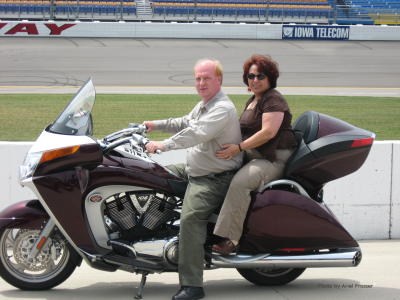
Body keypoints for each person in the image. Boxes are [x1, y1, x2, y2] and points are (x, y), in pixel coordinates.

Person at [144, 58, 242, 300]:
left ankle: (192, 286)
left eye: (206, 78)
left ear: (218, 80)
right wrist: (151, 125)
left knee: (190, 220)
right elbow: (185, 123)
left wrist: (162, 145)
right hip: (195, 170)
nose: (201, 82)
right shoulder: (205, 105)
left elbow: (196, 133)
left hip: (213, 178)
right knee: (150, 175)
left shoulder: (222, 108)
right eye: (198, 78)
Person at [212, 54, 298, 255]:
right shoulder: (254, 99)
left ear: (270, 78)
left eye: (260, 76)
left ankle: (231, 240)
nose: (255, 80)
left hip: (272, 159)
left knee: (240, 183)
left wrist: (238, 148)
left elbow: (268, 132)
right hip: (255, 155)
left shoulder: (273, 99)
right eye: (251, 76)